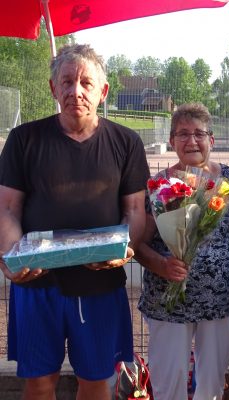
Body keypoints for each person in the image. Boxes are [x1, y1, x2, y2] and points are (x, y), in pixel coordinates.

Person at [0, 44, 150, 399]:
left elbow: (135, 211)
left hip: (99, 284)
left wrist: (126, 250)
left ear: (103, 91)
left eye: (86, 82)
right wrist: (10, 256)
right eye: (66, 81)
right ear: (53, 88)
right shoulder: (24, 139)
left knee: (96, 381)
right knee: (38, 383)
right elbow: (7, 208)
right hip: (36, 284)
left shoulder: (126, 142)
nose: (76, 91)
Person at [134, 102, 229, 400]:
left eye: (199, 133)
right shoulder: (157, 186)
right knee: (167, 384)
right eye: (183, 134)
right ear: (172, 141)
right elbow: (139, 244)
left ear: (211, 139)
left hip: (219, 298)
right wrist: (162, 265)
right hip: (167, 300)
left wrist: (208, 256)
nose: (191, 141)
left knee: (211, 384)